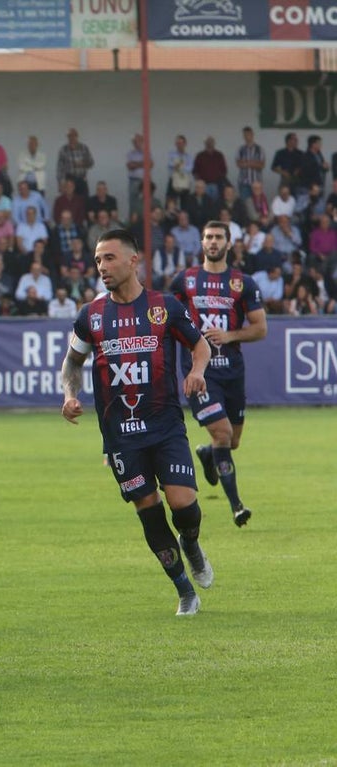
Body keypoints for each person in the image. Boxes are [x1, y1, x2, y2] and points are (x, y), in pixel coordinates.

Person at [60, 229, 214, 616]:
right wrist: (69, 394)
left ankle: (191, 543)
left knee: (183, 504)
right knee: (147, 508)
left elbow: (200, 345)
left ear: (133, 261)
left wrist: (197, 371)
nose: (102, 267)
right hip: (121, 438)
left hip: (164, 427)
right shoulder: (91, 315)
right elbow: (72, 363)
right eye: (97, 260)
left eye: (109, 258)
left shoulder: (164, 307)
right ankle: (184, 591)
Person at [170, 221, 267, 527]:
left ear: (229, 243)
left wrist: (230, 335)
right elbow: (165, 320)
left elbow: (260, 329)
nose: (213, 242)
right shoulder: (183, 281)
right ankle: (237, 506)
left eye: (218, 237)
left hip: (232, 372)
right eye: (208, 237)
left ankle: (208, 454)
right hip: (200, 372)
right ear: (202, 242)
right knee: (223, 433)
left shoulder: (243, 283)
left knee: (231, 441)